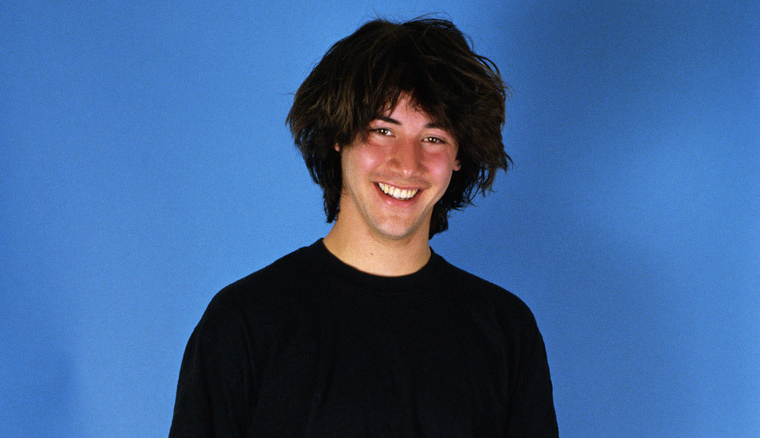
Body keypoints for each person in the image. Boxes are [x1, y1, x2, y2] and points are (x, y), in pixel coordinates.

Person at [170, 17, 557, 437]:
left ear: (460, 155)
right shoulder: (244, 323)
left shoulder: (505, 331)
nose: (406, 164)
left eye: (433, 139)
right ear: (339, 136)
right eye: (382, 130)